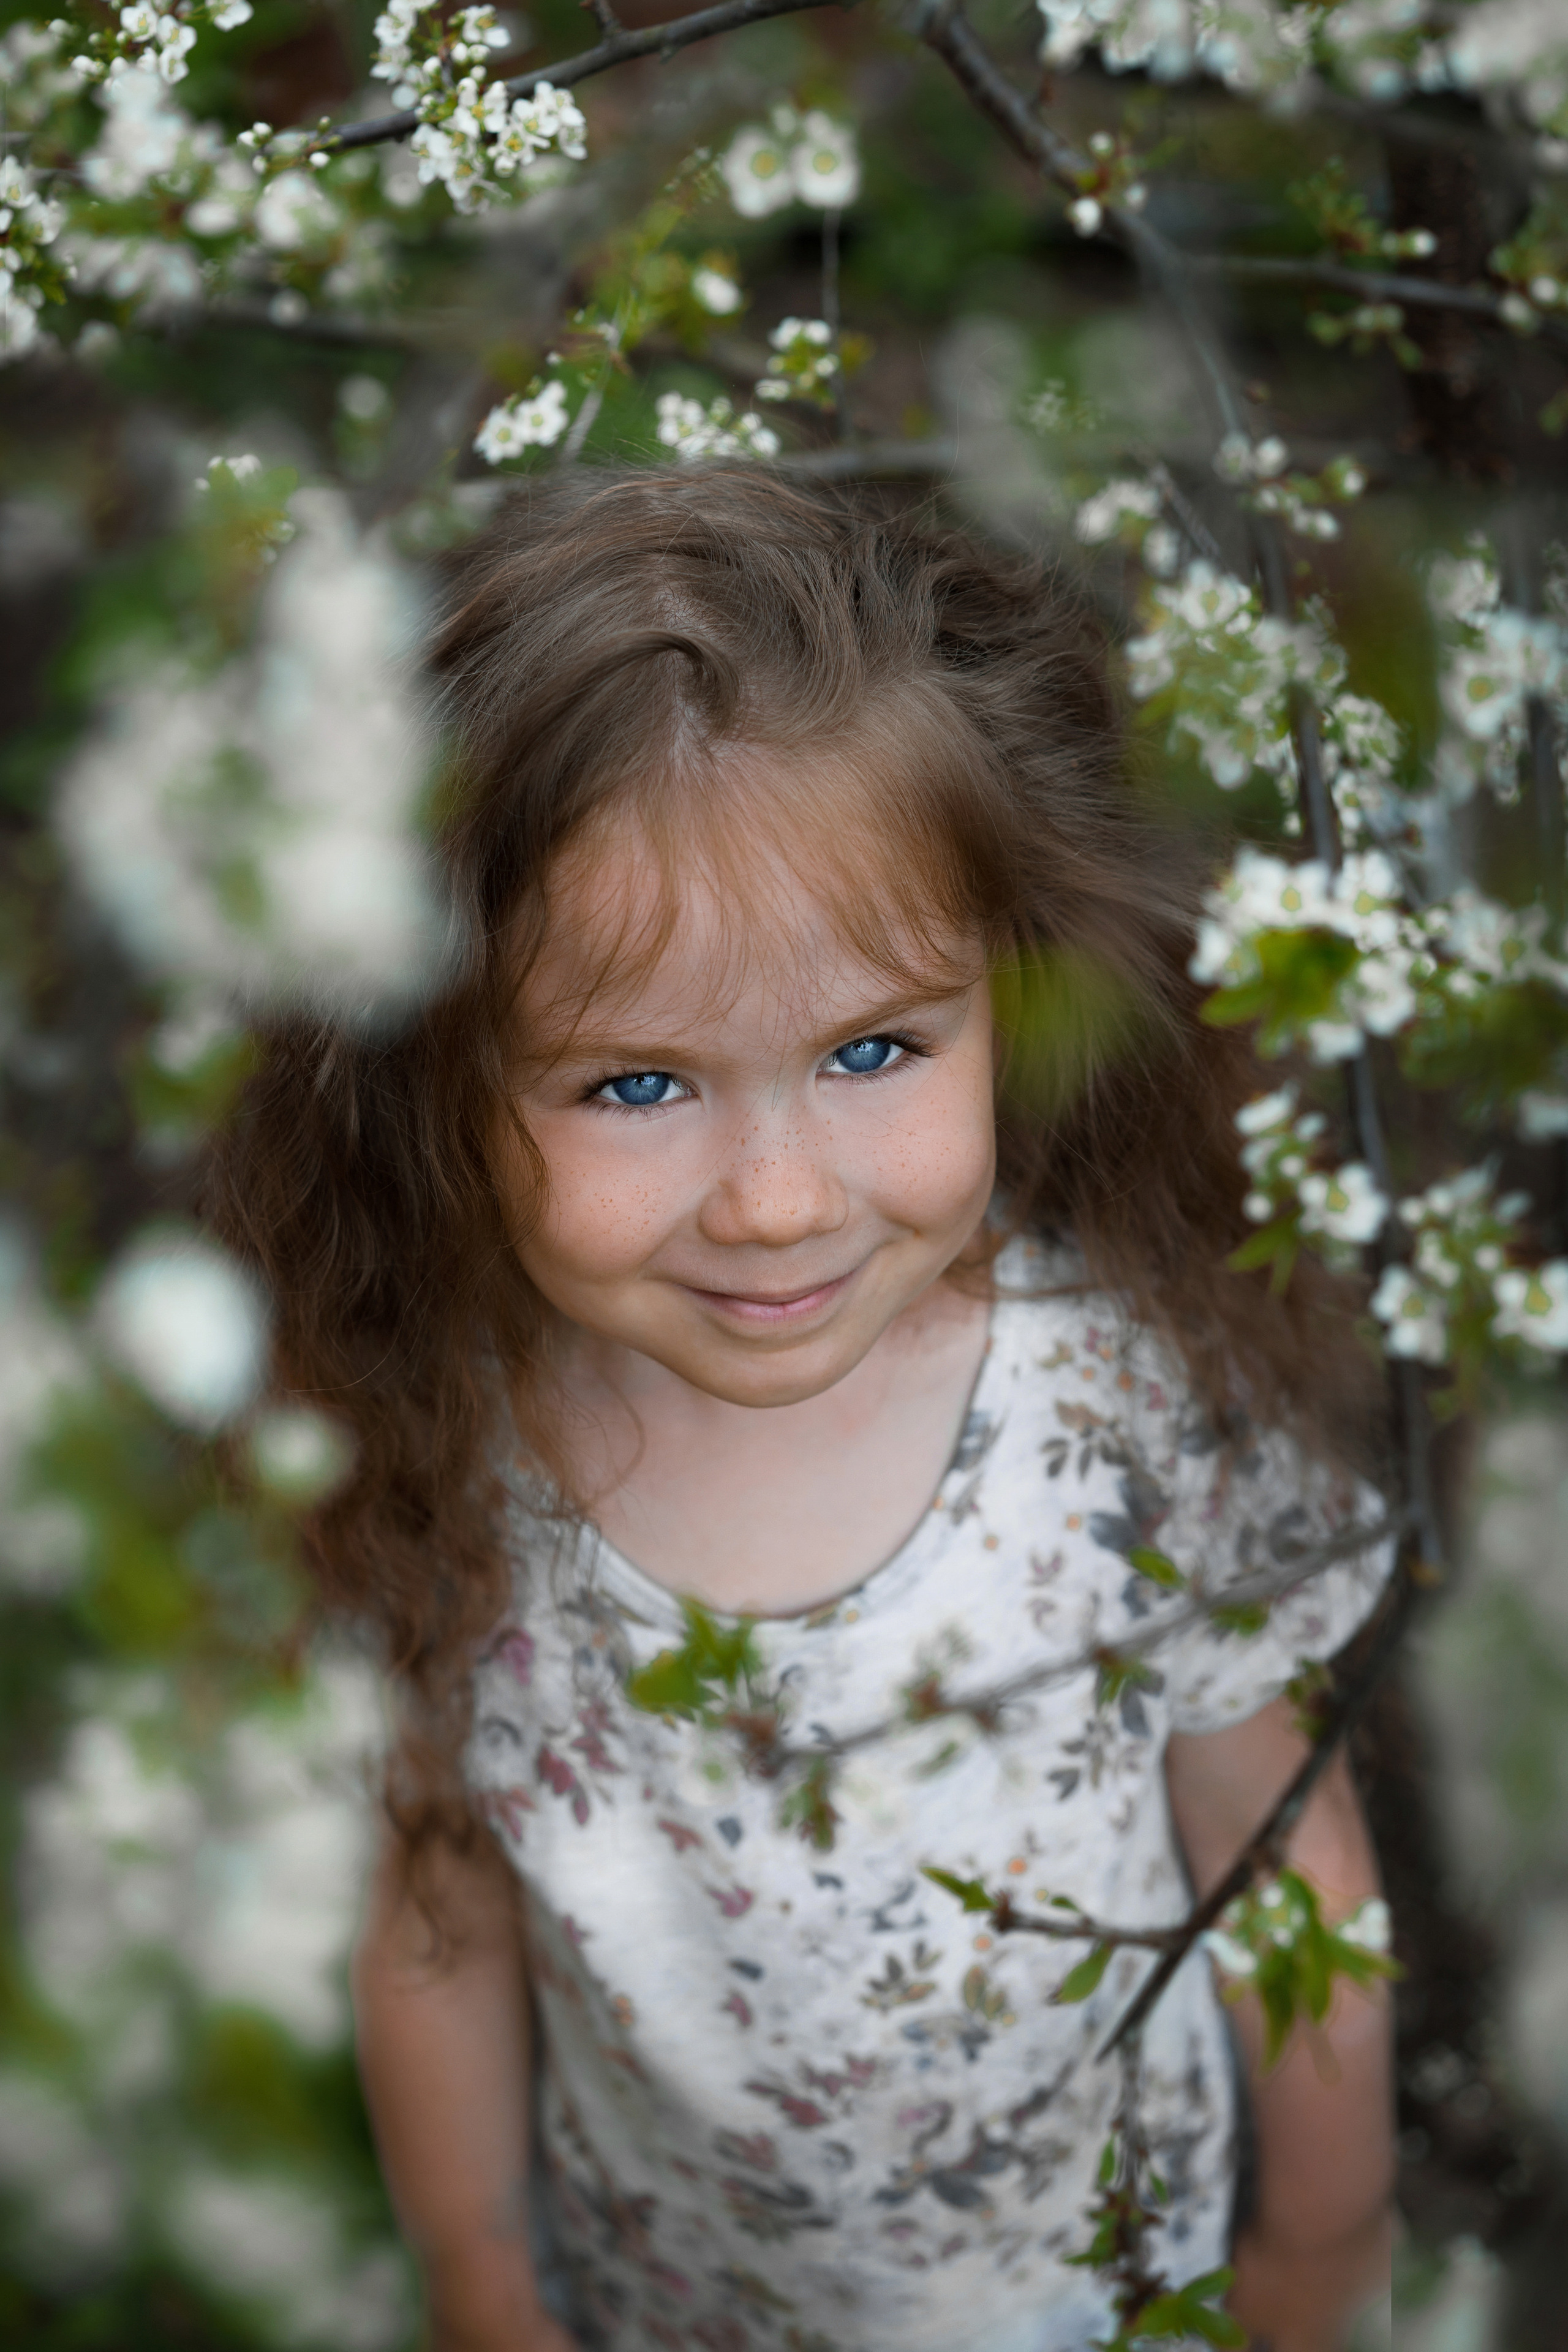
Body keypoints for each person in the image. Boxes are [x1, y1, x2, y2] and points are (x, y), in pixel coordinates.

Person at [209, 469, 1395, 2352]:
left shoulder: (1117, 1409)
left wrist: (1322, 2249)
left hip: (1115, 2297)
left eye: (871, 1052)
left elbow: (1285, 1855)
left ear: (1015, 998)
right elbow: (439, 1915)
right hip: (676, 2310)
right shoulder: (440, 1461)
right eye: (635, 1086)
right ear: (426, 1067)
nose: (777, 1200)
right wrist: (481, 2283)